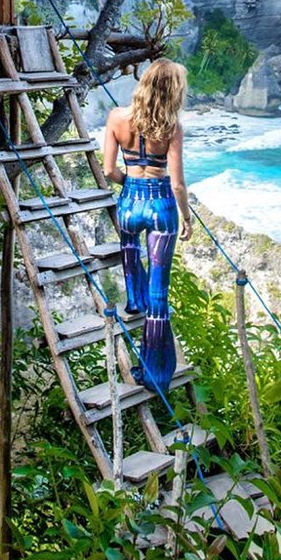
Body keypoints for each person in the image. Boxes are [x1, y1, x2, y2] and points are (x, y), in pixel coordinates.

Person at [102, 59, 192, 393]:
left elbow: (109, 170)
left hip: (129, 202)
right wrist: (187, 216)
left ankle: (133, 301)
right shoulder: (171, 128)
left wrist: (131, 185)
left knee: (130, 250)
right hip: (160, 206)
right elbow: (178, 185)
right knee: (160, 292)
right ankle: (153, 373)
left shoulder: (116, 118)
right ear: (172, 91)